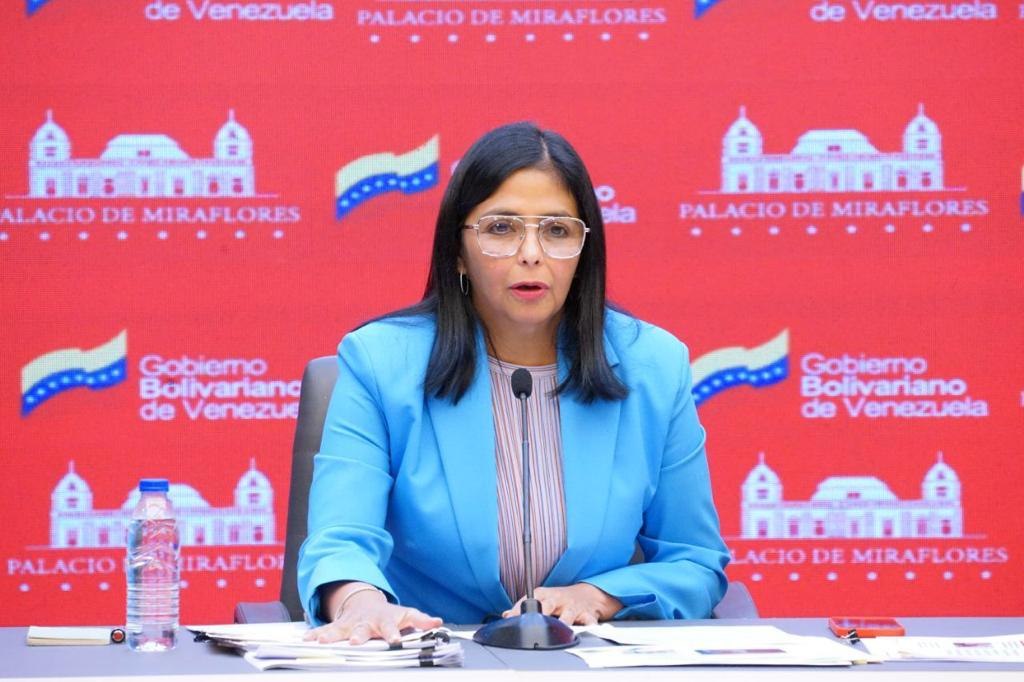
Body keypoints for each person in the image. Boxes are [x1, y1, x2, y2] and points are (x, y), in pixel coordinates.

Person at [299, 122, 729, 645]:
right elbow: (340, 542)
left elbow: (694, 561)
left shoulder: (653, 367)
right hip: (430, 658)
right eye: (501, 228)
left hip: (585, 663)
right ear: (458, 251)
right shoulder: (382, 363)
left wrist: (597, 596)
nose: (531, 253)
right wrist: (361, 604)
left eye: (557, 231)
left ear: (584, 251)